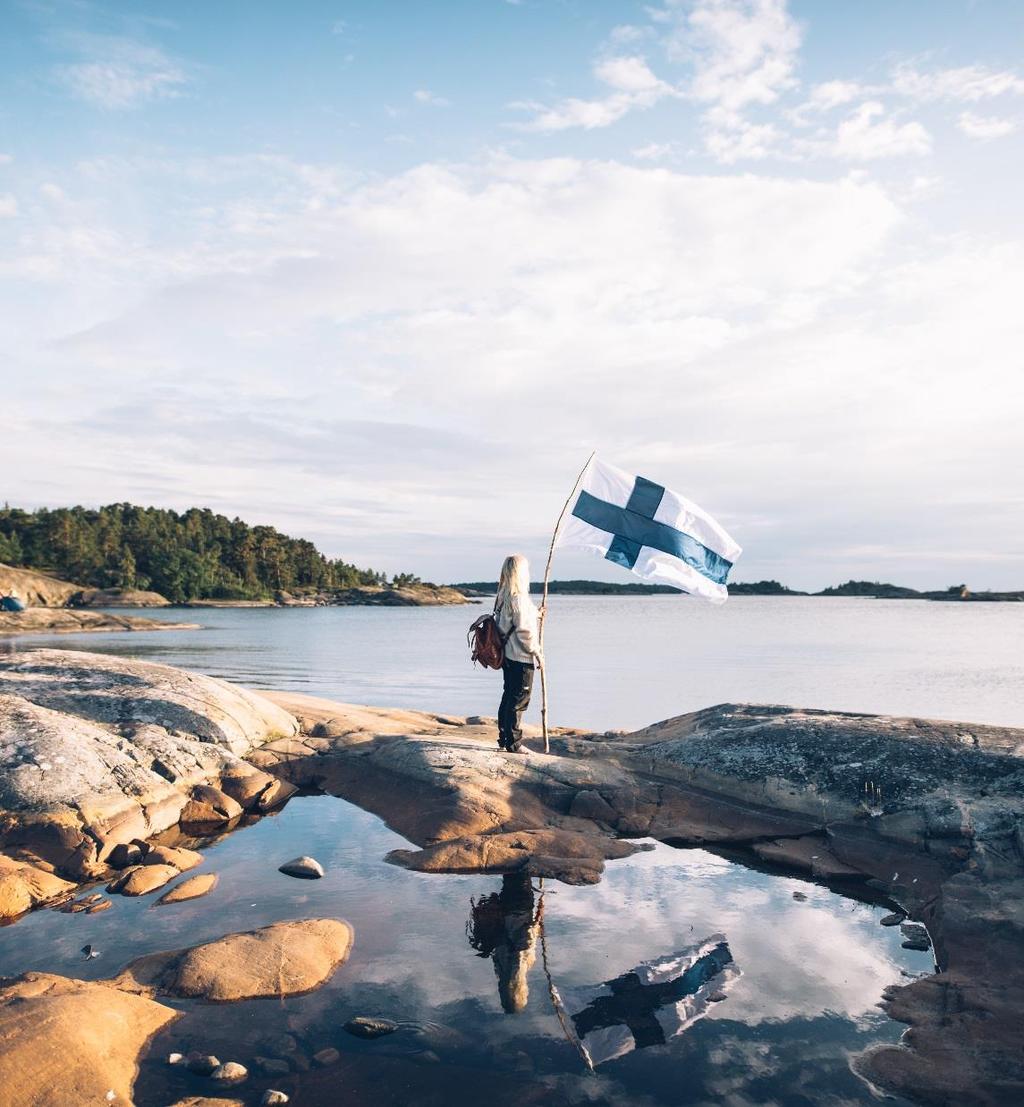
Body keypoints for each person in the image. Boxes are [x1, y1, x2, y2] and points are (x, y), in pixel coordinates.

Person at [466, 872, 540, 1013]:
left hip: (519, 910)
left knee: (519, 873)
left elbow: (524, 946)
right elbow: (505, 944)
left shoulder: (514, 971)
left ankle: (517, 856)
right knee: (512, 875)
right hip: (508, 910)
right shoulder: (502, 971)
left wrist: (536, 926)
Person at [494, 554, 541, 753]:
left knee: (509, 695)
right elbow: (524, 631)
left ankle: (504, 738)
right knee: (519, 698)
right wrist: (537, 651)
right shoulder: (519, 598)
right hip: (521, 656)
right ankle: (514, 743)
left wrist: (536, 613)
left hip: (507, 656)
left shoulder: (503, 596)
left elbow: (510, 622)